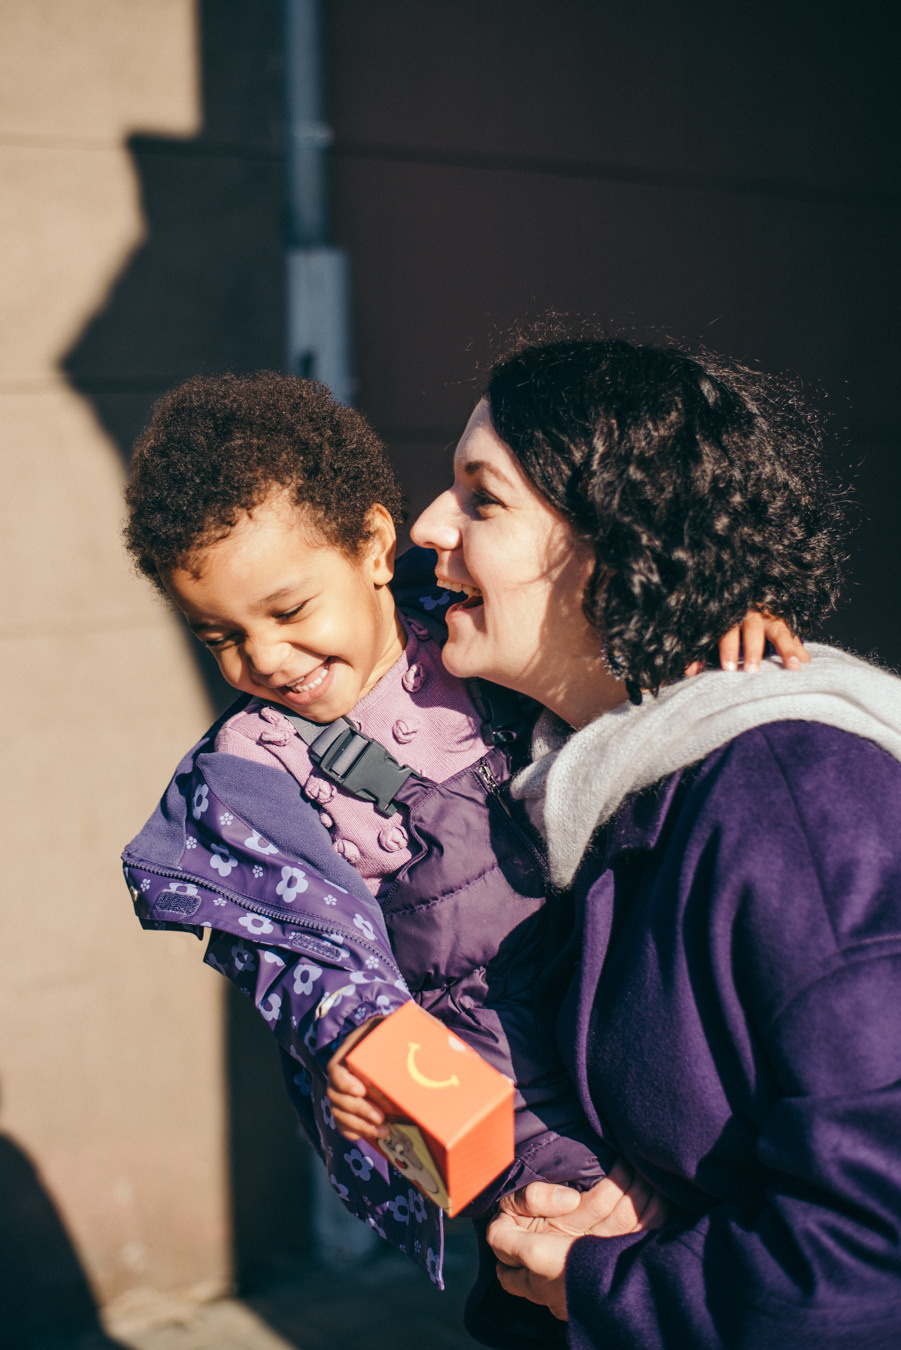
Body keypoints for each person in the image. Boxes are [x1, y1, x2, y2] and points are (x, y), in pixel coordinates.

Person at [121, 371, 796, 1302]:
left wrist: (719, 630)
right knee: (579, 1258)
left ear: (372, 544)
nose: (264, 659)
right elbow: (316, 977)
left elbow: (619, 652)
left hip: (628, 1006)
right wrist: (359, 1059)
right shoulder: (249, 781)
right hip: (498, 1088)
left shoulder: (473, 629)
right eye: (219, 638)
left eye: (288, 611)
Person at [410, 336, 901, 1347]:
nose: (425, 527)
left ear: (613, 542)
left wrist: (612, 1288)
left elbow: (873, 1248)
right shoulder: (580, 785)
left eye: (482, 499)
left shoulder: (795, 801)